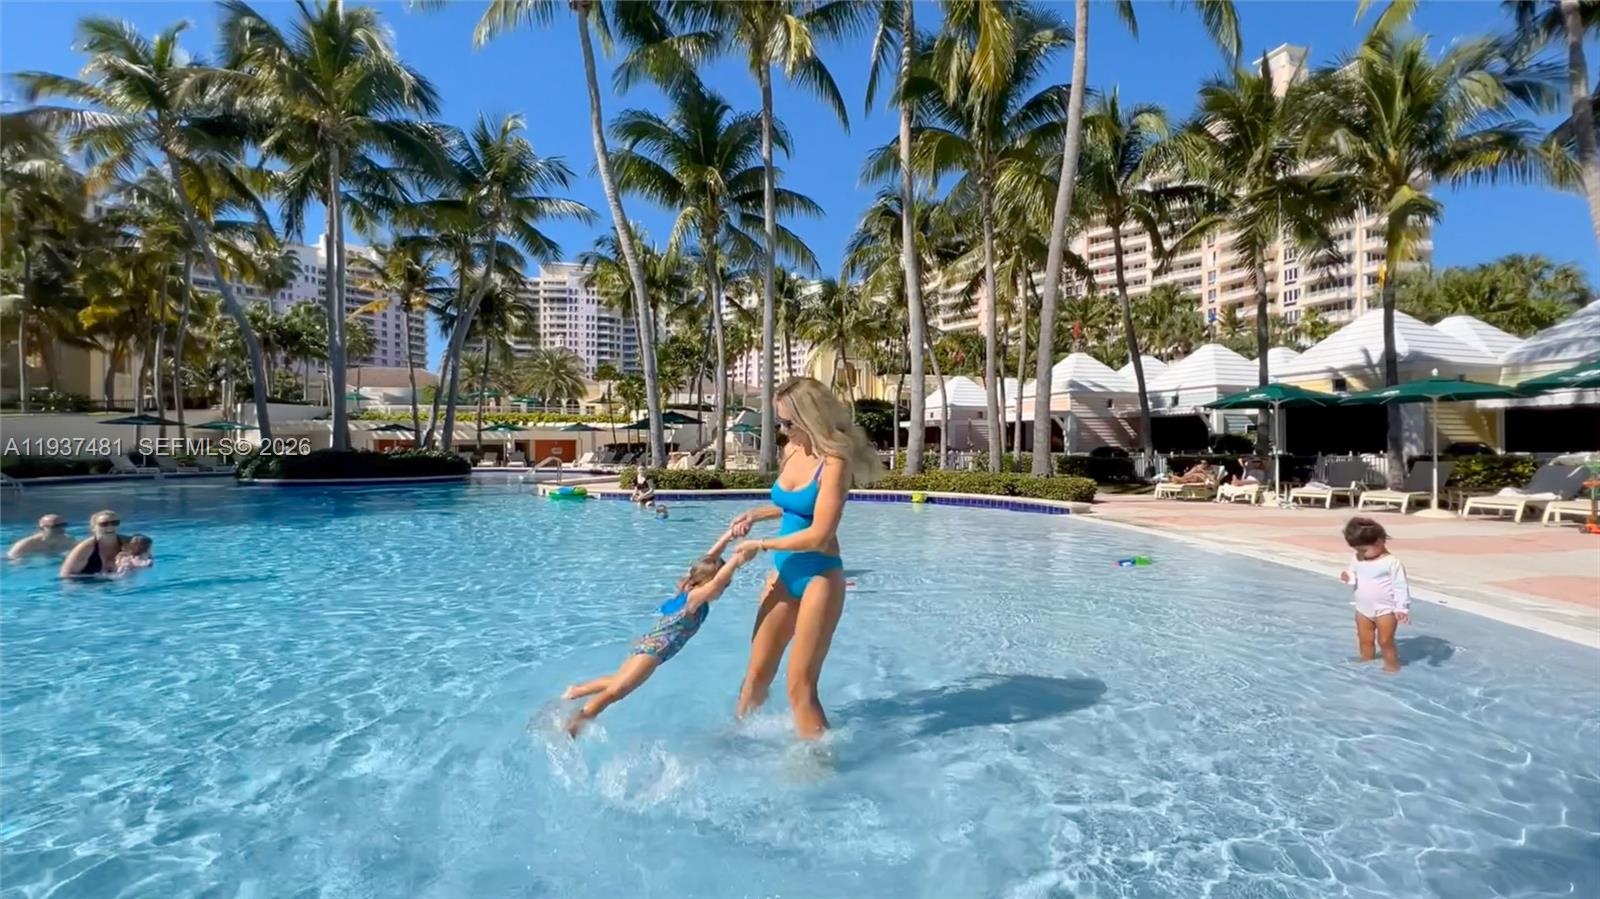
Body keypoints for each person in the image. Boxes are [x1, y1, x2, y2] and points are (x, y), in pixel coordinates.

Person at [728, 377, 884, 739]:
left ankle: (819, 762)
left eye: (788, 423)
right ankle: (735, 743)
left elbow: (819, 534)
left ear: (809, 418)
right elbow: (795, 506)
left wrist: (760, 545)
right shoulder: (792, 450)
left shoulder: (834, 463)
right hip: (785, 574)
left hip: (819, 577)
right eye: (779, 422)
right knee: (755, 675)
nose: (783, 431)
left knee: (799, 686)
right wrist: (757, 514)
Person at [562, 528, 758, 736]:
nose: (723, 589)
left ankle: (575, 691)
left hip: (649, 644)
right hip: (654, 651)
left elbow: (708, 559)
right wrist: (737, 560)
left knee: (618, 680)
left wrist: (728, 537)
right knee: (617, 690)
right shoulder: (694, 599)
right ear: (705, 584)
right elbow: (716, 581)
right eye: (724, 585)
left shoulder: (689, 585)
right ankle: (577, 722)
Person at [1339, 517, 1411, 673]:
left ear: (1379, 542)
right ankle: (1366, 662)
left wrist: (1401, 608)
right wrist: (1347, 576)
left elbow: (1400, 586)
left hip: (1386, 610)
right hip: (1363, 609)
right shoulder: (1357, 558)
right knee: (1364, 639)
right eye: (1357, 550)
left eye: (1363, 550)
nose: (1360, 553)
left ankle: (1392, 667)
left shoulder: (1391, 563)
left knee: (1385, 641)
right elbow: (1353, 572)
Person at [60, 510, 128, 578]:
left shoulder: (128, 542)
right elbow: (65, 575)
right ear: (93, 528)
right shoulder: (85, 548)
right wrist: (100, 577)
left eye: (115, 523)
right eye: (104, 524)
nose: (110, 527)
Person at [7, 514, 75, 559]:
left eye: (63, 525)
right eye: (55, 527)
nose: (61, 529)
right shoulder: (25, 545)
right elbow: (13, 560)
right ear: (42, 528)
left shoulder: (69, 541)